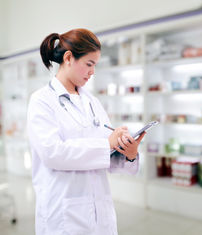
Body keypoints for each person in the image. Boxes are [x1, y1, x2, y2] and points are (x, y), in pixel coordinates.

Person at [27, 28, 145, 235]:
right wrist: (106, 144)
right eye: (89, 64)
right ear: (68, 58)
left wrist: (128, 153)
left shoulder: (92, 102)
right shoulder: (42, 100)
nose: (92, 72)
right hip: (63, 213)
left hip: (100, 212)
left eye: (95, 66)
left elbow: (105, 155)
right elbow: (53, 153)